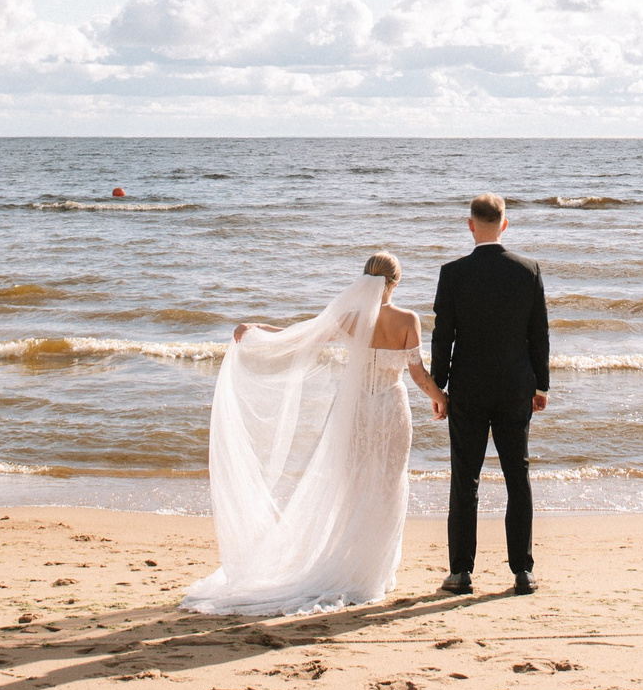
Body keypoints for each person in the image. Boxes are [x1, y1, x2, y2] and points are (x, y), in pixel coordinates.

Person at [182, 252, 446, 616]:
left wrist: (256, 331)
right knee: (387, 486)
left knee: (352, 487)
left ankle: (352, 564)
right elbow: (418, 375)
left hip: (353, 411)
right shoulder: (407, 319)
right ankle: (373, 573)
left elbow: (300, 336)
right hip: (389, 410)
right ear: (395, 283)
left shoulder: (351, 318)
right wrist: (441, 400)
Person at [429, 192, 550, 596]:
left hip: (468, 389)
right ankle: (523, 572)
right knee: (518, 476)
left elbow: (443, 337)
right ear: (504, 224)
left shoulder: (453, 273)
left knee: (466, 480)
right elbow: (539, 335)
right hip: (516, 387)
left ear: (470, 226)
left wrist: (438, 387)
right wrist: (542, 384)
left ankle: (461, 572)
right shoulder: (528, 270)